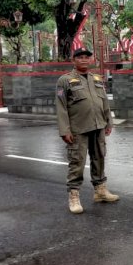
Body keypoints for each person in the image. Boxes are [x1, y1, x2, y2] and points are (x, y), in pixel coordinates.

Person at [56, 47, 119, 214]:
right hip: (78, 128)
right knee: (77, 162)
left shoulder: (97, 79)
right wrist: (64, 130)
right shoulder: (65, 80)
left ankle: (100, 191)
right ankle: (74, 196)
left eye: (87, 57)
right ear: (73, 60)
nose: (84, 60)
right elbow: (61, 107)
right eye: (80, 57)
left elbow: (104, 101)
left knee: (99, 157)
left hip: (98, 125)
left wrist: (109, 122)